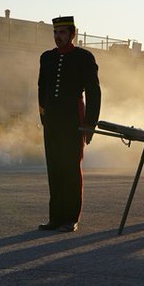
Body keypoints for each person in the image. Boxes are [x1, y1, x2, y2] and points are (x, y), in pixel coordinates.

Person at [37, 16, 100, 232]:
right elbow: (41, 89)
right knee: (54, 168)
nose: (58, 37)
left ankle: (71, 217)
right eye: (55, 32)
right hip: (53, 119)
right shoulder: (46, 57)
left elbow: (94, 91)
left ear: (72, 34)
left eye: (62, 32)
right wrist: (44, 117)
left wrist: (91, 123)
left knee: (71, 167)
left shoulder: (84, 57)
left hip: (73, 118)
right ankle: (55, 217)